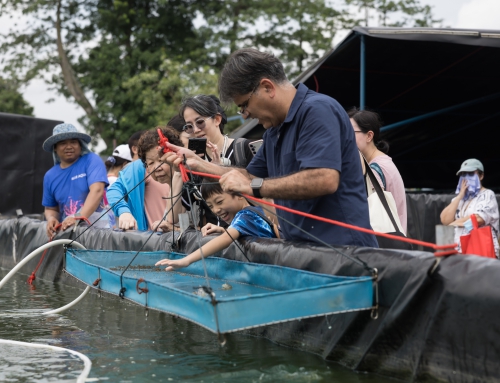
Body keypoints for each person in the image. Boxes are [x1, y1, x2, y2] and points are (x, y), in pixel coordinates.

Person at [162, 48, 377, 247]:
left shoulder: (317, 110)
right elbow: (248, 174)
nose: (245, 114)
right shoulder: (275, 129)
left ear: (267, 87)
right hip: (303, 249)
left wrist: (255, 186)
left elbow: (324, 178)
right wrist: (199, 164)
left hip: (344, 251)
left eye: (244, 105)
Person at [155, 178, 277, 271]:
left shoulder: (246, 216)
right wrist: (222, 229)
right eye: (211, 206)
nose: (216, 210)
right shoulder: (254, 211)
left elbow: (225, 239)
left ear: (240, 195)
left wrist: (186, 260)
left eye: (219, 202)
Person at [42, 123, 115, 238]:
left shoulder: (92, 160)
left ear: (80, 145)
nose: (69, 146)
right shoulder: (50, 176)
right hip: (69, 236)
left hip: (100, 234)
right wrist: (51, 218)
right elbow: (51, 208)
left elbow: (97, 190)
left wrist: (78, 217)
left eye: (73, 142)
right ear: (55, 148)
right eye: (63, 143)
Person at [107, 127, 183, 231]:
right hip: (151, 242)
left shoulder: (190, 180)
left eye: (161, 160)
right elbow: (114, 190)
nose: (157, 168)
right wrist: (124, 212)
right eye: (151, 163)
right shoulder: (139, 168)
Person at [348, 108, 407, 232]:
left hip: (381, 245)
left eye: (350, 132)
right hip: (393, 243)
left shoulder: (375, 170)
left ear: (369, 136)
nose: (346, 138)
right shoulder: (384, 162)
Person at [440, 159, 499, 257]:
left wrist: (454, 223)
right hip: (459, 249)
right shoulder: (458, 199)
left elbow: (478, 219)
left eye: (470, 173)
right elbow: (445, 220)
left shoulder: (488, 194)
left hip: (482, 249)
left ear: (481, 176)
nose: (466, 177)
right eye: (463, 174)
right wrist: (459, 196)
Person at [180, 94, 254, 167]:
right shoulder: (194, 159)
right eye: (189, 126)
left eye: (200, 122)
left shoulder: (245, 148)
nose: (195, 130)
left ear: (217, 119)